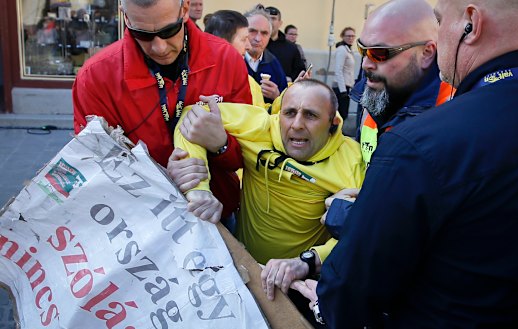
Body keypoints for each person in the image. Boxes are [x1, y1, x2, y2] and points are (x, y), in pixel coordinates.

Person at [292, 0, 518, 327]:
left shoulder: (419, 143)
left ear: (470, 24)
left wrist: (328, 299)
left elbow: (350, 294)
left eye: (441, 20)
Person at [262, 0, 449, 301]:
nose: (365, 64)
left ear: (427, 52)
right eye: (363, 50)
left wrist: (354, 216)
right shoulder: (378, 91)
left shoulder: (450, 114)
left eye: (379, 53)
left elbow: (431, 231)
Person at [73, 0, 252, 222]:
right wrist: (163, 178)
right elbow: (94, 170)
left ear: (185, 9)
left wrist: (220, 145)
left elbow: (249, 157)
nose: (159, 47)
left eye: (169, 31)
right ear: (126, 17)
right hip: (142, 224)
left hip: (218, 214)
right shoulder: (95, 77)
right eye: (142, 34)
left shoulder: (226, 58)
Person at [174, 79, 365, 264]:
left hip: (300, 282)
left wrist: (308, 261)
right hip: (244, 268)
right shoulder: (261, 127)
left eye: (310, 115)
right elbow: (193, 115)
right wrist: (199, 189)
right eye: (289, 113)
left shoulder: (352, 161)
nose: (297, 124)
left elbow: (359, 233)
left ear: (334, 122)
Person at [204, 10, 264, 107]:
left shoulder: (251, 84)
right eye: (244, 39)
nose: (249, 46)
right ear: (221, 43)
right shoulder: (190, 75)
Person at [244, 8, 288, 103]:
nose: (258, 38)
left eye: (264, 33)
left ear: (269, 36)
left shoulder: (274, 63)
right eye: (252, 31)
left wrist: (277, 95)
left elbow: (285, 99)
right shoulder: (232, 61)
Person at [264, 6, 305, 82]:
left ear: (280, 23)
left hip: (283, 91)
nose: (270, 22)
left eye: (273, 18)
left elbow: (300, 71)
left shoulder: (291, 48)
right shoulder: (255, 45)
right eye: (267, 18)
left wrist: (291, 78)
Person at [333, 27, 356, 120]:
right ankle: (336, 133)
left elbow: (349, 71)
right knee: (340, 115)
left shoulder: (348, 50)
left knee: (343, 114)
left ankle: (339, 132)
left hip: (346, 87)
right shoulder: (342, 50)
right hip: (340, 88)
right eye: (348, 36)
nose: (351, 38)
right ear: (342, 37)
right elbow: (338, 70)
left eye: (352, 36)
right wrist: (343, 90)